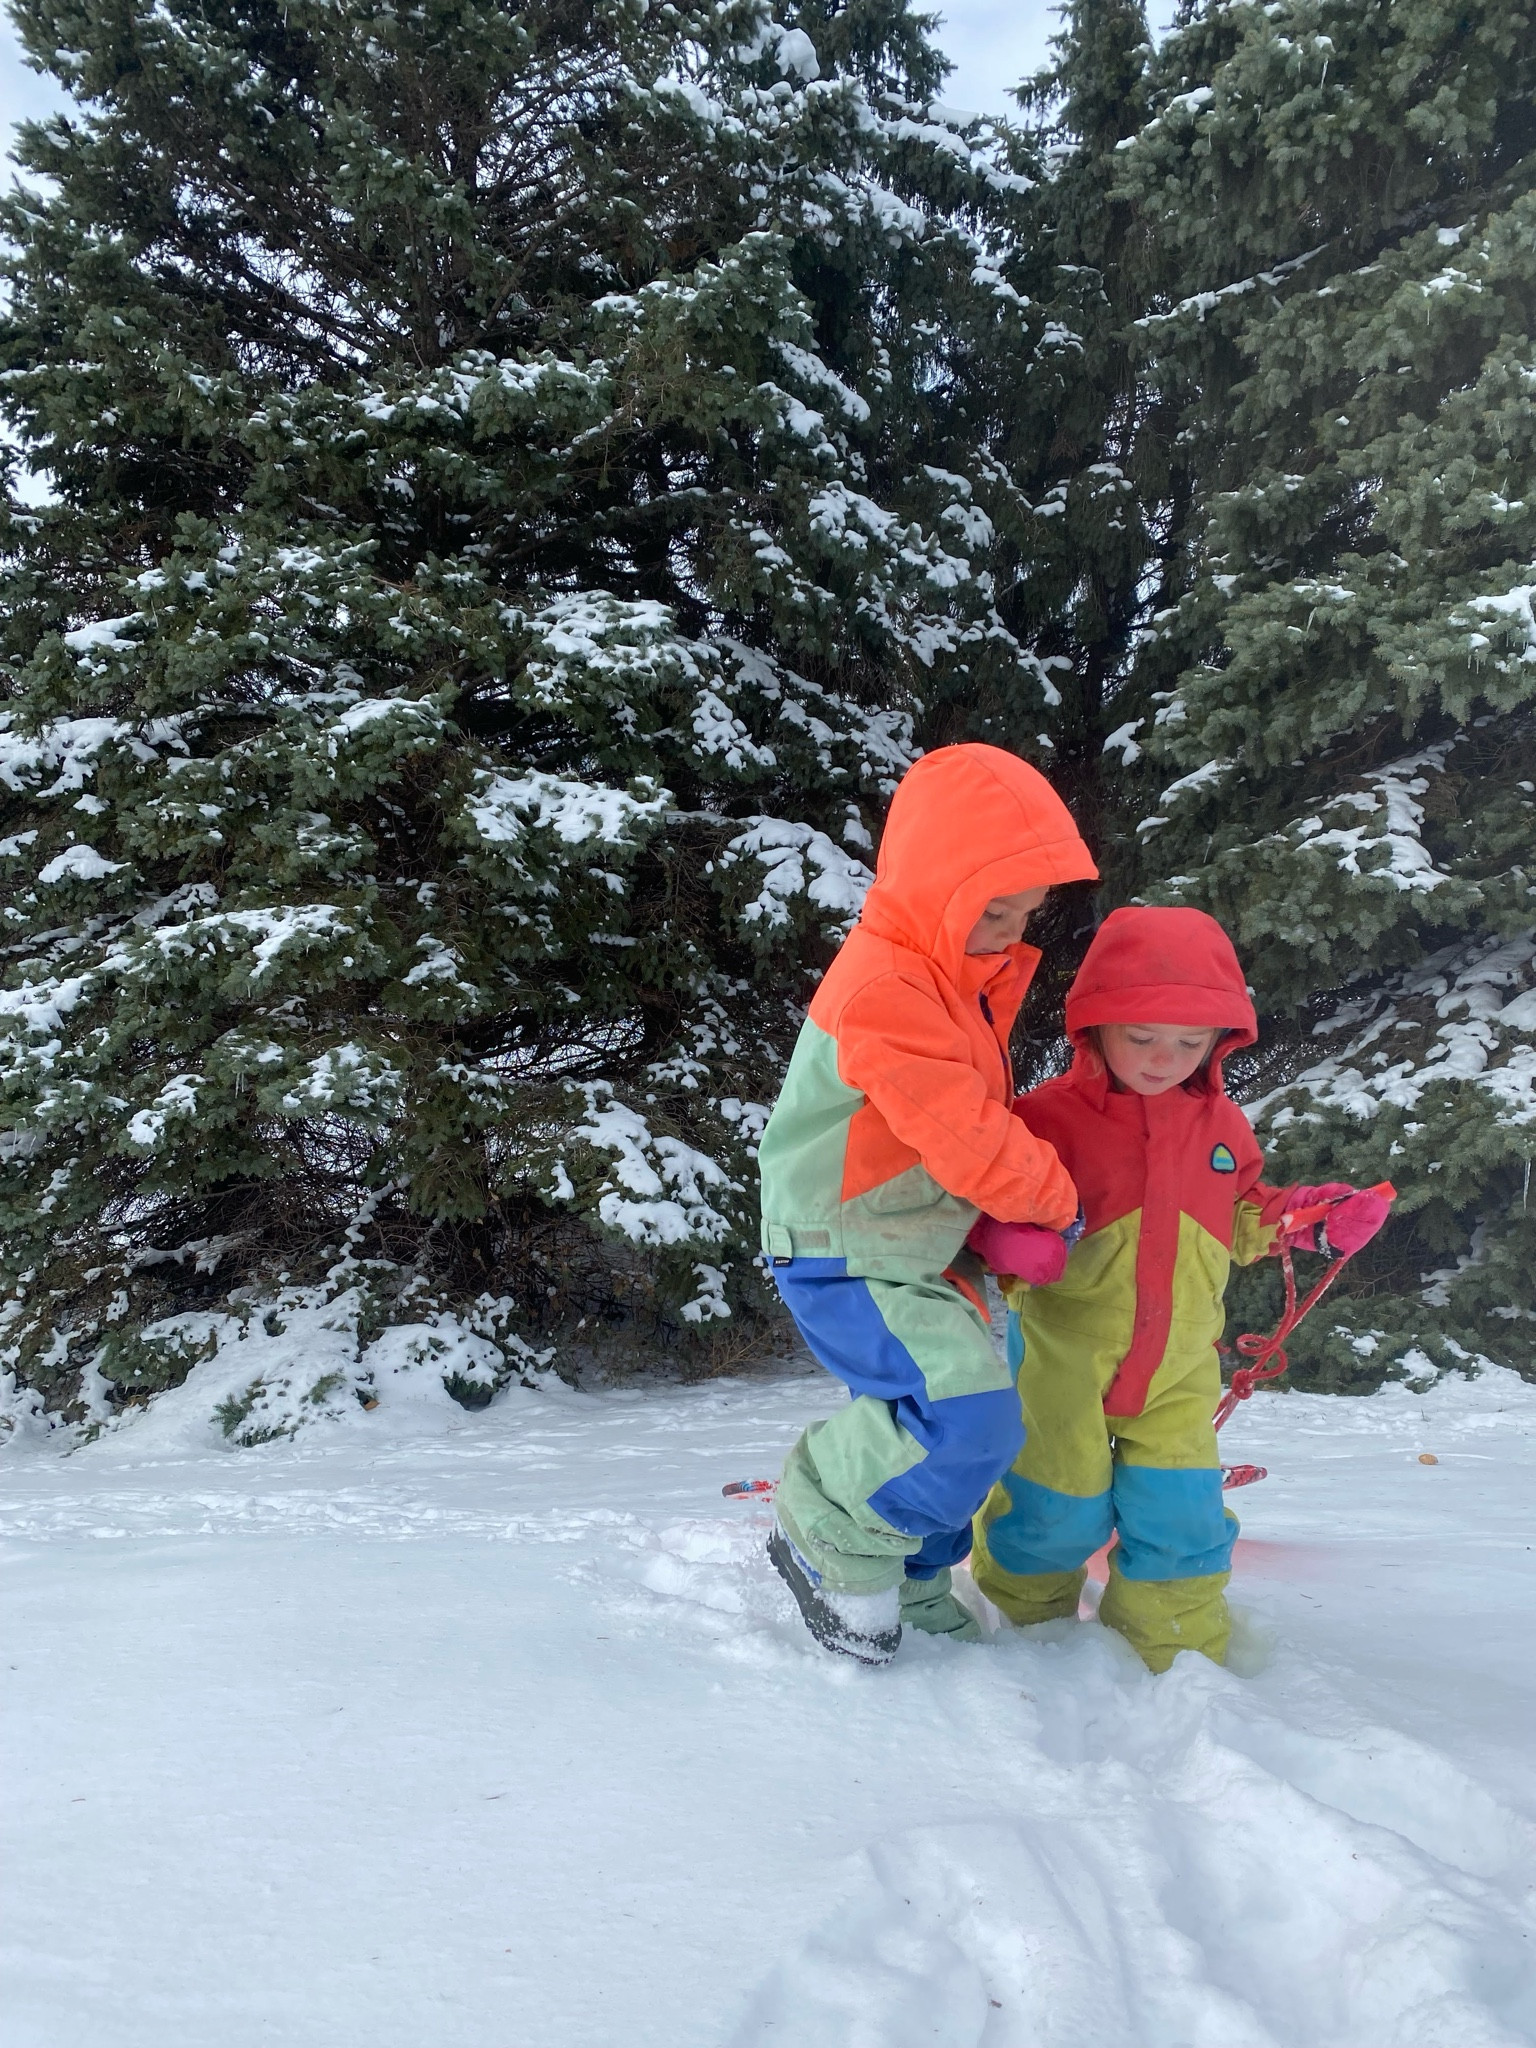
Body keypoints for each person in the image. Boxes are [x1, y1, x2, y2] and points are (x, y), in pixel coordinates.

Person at [968, 906, 1392, 1671]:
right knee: (1054, 1511)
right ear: (1093, 1025)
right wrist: (1003, 1237)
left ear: (1219, 1042)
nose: (1165, 1058)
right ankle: (1025, 1639)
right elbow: (980, 1208)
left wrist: (1314, 1221)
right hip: (1065, 1363)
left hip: (1179, 1371)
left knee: (1184, 1519)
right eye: (1141, 1037)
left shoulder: (1223, 1128)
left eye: (1189, 1042)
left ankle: (1175, 1658)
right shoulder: (1046, 1120)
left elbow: (1246, 1219)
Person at [757, 743, 1098, 1663]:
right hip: (844, 1243)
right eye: (992, 910)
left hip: (908, 1243)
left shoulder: (949, 985)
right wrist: (1054, 1200)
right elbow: (961, 1130)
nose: (1008, 932)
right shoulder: (888, 989)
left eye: (1023, 914)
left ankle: (913, 1570)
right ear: (934, 884)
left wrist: (991, 1223)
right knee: (961, 1416)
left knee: (974, 1417)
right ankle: (825, 1519)